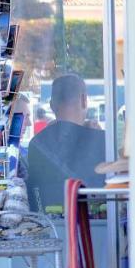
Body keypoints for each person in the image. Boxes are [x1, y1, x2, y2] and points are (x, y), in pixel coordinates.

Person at [26, 73, 106, 211]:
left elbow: (35, 197)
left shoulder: (36, 145)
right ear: (84, 100)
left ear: (51, 105)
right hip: (98, 227)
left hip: (53, 227)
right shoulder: (103, 141)